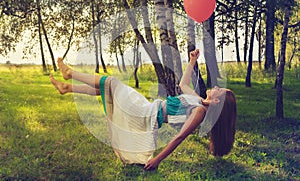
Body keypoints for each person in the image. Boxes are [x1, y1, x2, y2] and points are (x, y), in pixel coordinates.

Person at [50, 49, 237, 170]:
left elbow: (179, 137)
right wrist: (192, 62)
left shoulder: (199, 112)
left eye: (219, 90)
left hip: (146, 115)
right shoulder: (197, 101)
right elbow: (183, 84)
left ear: (217, 101)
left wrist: (158, 159)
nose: (216, 87)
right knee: (107, 89)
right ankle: (68, 88)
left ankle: (70, 74)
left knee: (111, 82)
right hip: (148, 108)